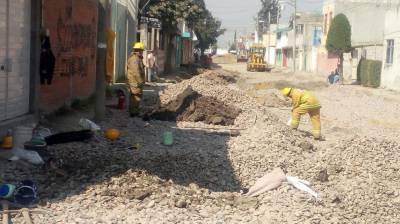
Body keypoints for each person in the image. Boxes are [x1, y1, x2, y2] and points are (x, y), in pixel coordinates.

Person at [126, 42, 145, 117]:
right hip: (135, 81)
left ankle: (135, 111)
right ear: (138, 50)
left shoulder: (137, 58)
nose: (142, 52)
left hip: (135, 81)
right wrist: (140, 81)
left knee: (137, 96)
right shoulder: (135, 59)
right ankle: (134, 112)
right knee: (135, 96)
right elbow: (136, 72)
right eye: (141, 51)